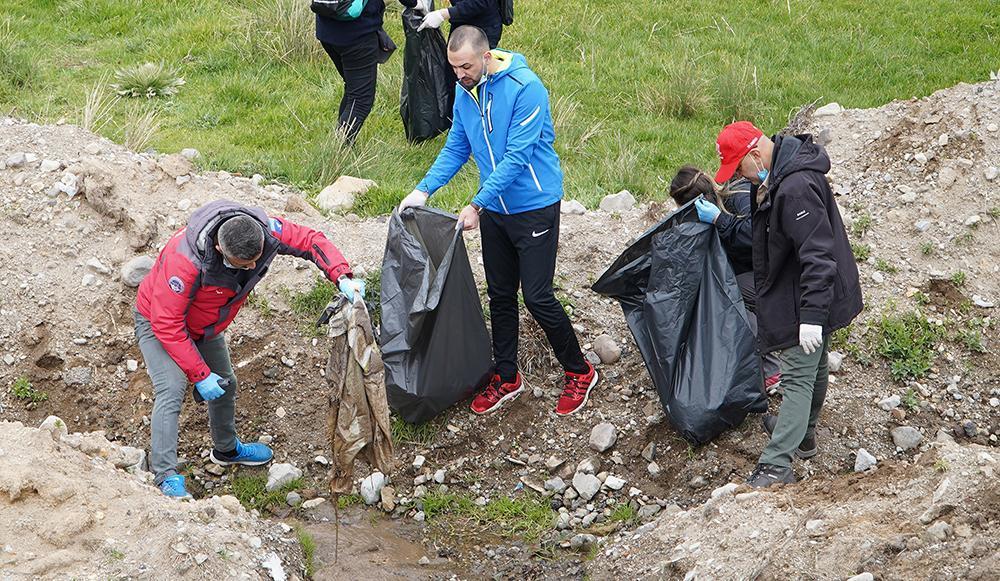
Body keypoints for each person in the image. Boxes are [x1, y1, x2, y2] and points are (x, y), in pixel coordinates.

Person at [398, 26, 597, 417]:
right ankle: (507, 377)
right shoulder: (466, 90)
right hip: (496, 211)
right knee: (500, 295)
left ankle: (580, 371)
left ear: (486, 57)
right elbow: (457, 145)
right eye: (454, 68)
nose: (460, 75)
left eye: (466, 67)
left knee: (537, 296)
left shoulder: (526, 88)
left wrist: (476, 204)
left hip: (534, 206)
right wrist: (422, 190)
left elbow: (517, 158)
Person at [134, 200, 364, 499]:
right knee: (172, 388)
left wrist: (342, 276)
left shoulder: (265, 231)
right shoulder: (185, 262)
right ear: (220, 249)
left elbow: (310, 240)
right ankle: (164, 476)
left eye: (256, 261)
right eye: (244, 265)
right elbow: (167, 324)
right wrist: (200, 374)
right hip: (158, 323)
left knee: (226, 383)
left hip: (204, 326)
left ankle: (226, 450)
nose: (253, 268)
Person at [714, 121, 863, 488]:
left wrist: (811, 316)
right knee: (815, 366)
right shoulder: (777, 176)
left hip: (809, 294)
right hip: (809, 290)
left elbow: (818, 256)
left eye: (739, 169)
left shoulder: (794, 188)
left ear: (754, 155)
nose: (740, 178)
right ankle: (805, 435)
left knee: (797, 376)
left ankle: (776, 463)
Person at [668, 166, 782, 394]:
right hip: (758, 276)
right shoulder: (707, 215)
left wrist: (720, 220)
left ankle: (771, 369)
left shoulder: (739, 196)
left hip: (779, 277)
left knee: (729, 296)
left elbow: (757, 236)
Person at [315, 0, 388, 143]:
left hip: (326, 27)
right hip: (358, 35)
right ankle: (337, 149)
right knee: (360, 100)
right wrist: (415, 4)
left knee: (352, 89)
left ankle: (344, 145)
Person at [415, 0, 505, 49]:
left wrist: (443, 14)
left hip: (483, 26)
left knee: (473, 70)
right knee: (454, 66)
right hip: (461, 21)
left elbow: (482, 2)